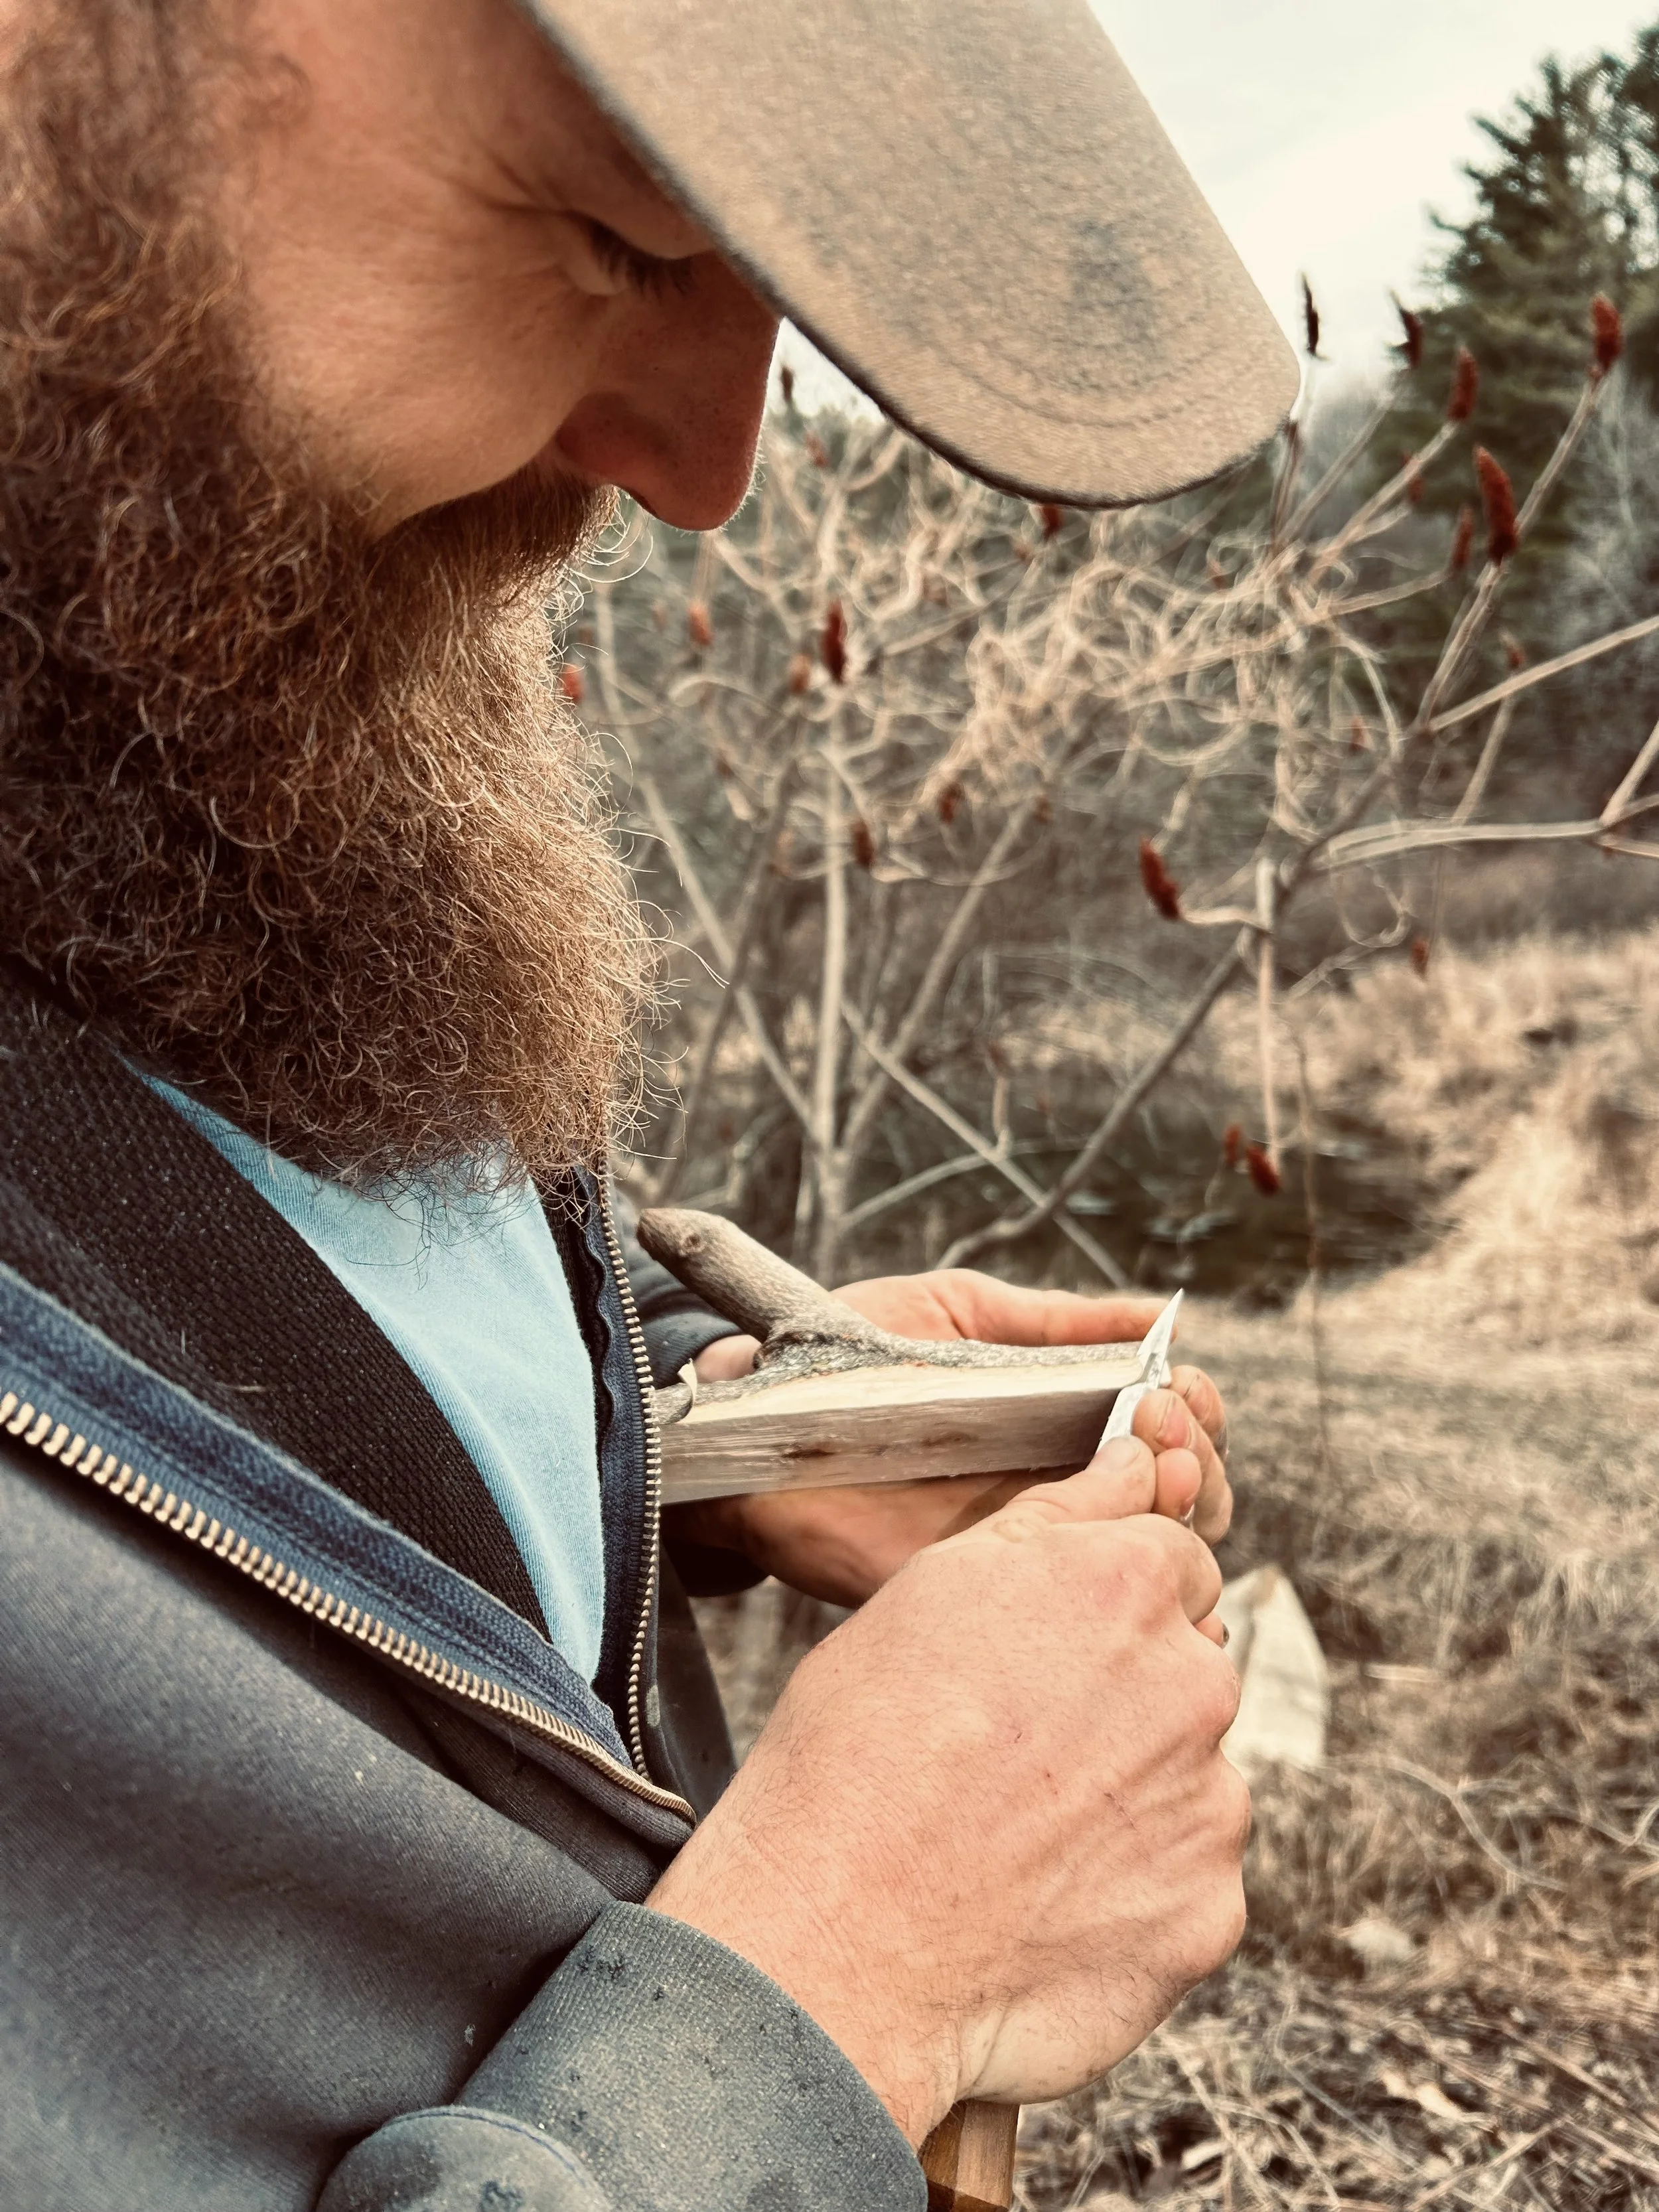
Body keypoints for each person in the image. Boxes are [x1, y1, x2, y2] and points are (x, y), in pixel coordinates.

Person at [0, 2, 1298, 2207]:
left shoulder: (130, 704)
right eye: (614, 235)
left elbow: (163, 1281)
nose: (709, 462)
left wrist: (684, 1428)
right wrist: (833, 1989)